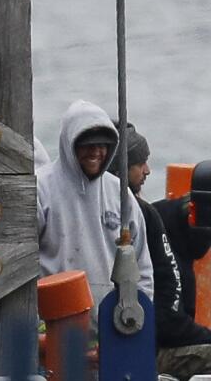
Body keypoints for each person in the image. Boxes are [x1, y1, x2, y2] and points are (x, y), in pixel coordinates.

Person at [119, 125, 211, 381]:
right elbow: (167, 323)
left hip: (147, 338)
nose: (147, 170)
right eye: (140, 163)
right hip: (139, 348)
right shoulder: (151, 225)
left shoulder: (152, 216)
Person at [38, 99, 154, 303]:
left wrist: (137, 318)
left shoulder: (120, 194)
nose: (96, 152)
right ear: (70, 143)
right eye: (87, 145)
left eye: (103, 145)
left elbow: (142, 267)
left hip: (110, 327)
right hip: (51, 324)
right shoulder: (41, 189)